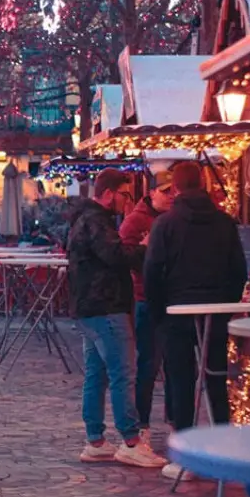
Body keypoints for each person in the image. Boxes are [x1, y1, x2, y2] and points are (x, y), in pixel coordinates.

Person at [144, 161, 247, 480]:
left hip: (177, 311)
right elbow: (238, 271)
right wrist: (225, 306)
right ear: (203, 184)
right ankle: (224, 451)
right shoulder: (225, 223)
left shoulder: (166, 224)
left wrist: (159, 309)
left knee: (181, 381)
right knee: (216, 378)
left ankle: (187, 456)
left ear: (175, 187)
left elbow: (152, 272)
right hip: (214, 312)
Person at [66, 169, 167, 468]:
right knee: (124, 373)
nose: (127, 201)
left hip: (89, 308)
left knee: (97, 374)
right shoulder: (96, 221)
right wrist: (145, 248)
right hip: (105, 306)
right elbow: (116, 255)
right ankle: (131, 441)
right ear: (109, 193)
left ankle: (96, 440)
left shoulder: (84, 219)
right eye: (125, 194)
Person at [119, 174, 175, 440]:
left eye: (175, 191)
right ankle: (142, 421)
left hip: (172, 300)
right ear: (152, 192)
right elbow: (123, 256)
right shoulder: (136, 220)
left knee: (174, 363)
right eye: (166, 191)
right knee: (148, 364)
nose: (172, 195)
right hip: (145, 299)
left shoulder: (174, 217)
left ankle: (174, 419)